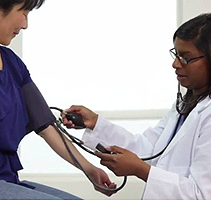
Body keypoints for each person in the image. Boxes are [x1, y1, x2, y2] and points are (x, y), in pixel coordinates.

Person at [0, 0, 117, 199]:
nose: (25, 24)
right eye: (23, 12)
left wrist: (90, 170)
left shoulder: (12, 62)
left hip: (5, 182)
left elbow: (46, 125)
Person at [63, 13, 211, 199]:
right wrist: (96, 123)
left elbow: (201, 195)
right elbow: (151, 150)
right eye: (176, 54)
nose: (175, 64)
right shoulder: (185, 104)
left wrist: (142, 171)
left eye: (185, 58)